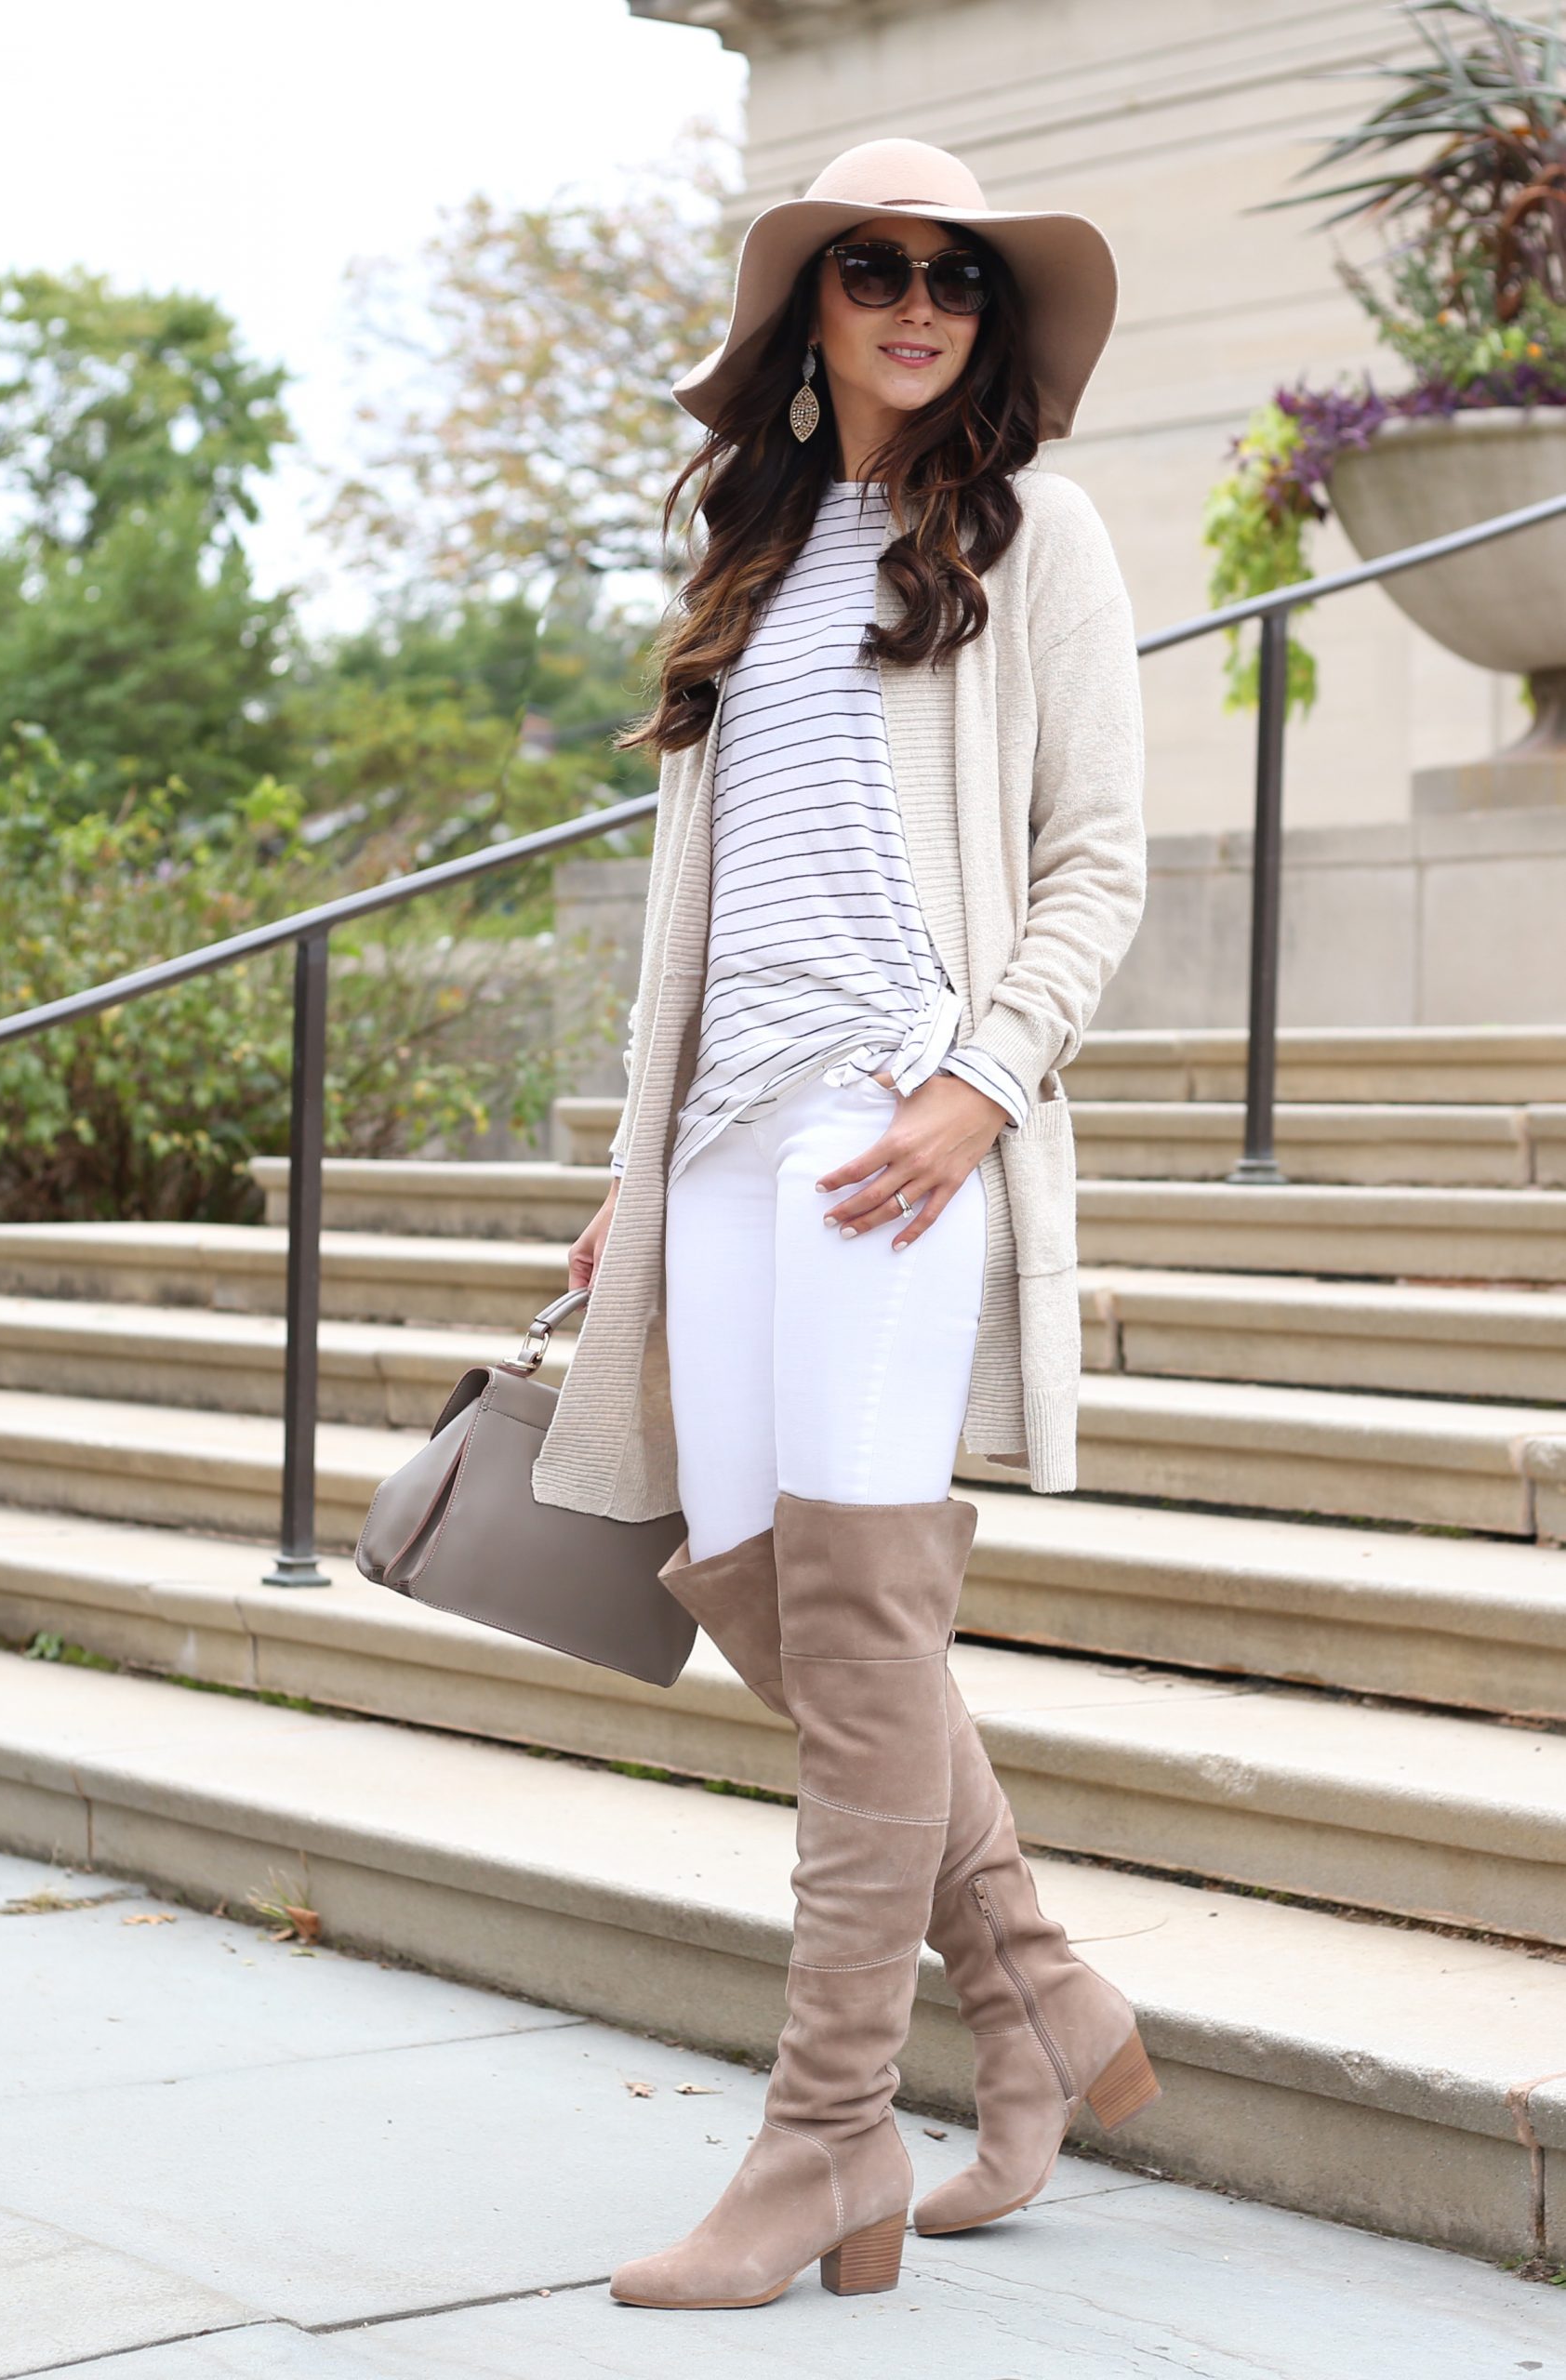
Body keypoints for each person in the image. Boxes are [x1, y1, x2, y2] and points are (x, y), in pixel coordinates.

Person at [552, 135, 1154, 2313]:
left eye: (954, 279)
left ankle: (822, 2138)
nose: (915, 303)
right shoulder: (751, 554)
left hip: (895, 1133)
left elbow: (1098, 861)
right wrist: (629, 1192)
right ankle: (1035, 1997)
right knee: (746, 1577)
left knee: (867, 1607)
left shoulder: (1030, 536)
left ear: (985, 321)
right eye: (871, 269)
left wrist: (972, 1085)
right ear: (805, 310)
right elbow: (689, 937)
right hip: (721, 1150)